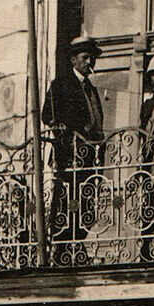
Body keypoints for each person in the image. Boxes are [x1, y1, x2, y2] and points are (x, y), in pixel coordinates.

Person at [41, 36, 106, 242]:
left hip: (90, 156)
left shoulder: (91, 89)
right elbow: (46, 114)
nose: (90, 63)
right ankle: (63, 245)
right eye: (86, 58)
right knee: (67, 201)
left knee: (87, 203)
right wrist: (60, 127)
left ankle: (76, 242)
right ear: (73, 60)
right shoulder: (61, 84)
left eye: (92, 59)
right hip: (69, 154)